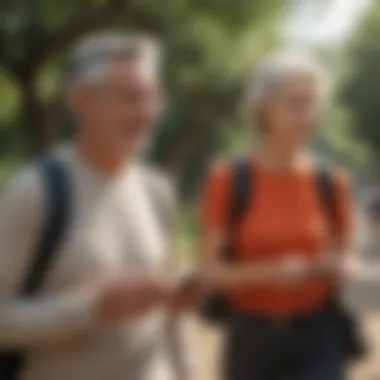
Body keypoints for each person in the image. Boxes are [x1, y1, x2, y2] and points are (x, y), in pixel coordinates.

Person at [0, 32, 189, 380]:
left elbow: (170, 318)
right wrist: (90, 308)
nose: (147, 112)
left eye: (152, 96)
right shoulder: (35, 191)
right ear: (81, 99)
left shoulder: (157, 191)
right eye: (130, 98)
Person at [199, 53, 354, 380]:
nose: (308, 115)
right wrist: (271, 272)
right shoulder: (229, 179)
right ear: (262, 109)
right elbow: (210, 274)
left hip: (318, 335)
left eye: (313, 104)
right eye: (295, 103)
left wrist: (337, 268)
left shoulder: (331, 182)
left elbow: (344, 263)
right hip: (251, 337)